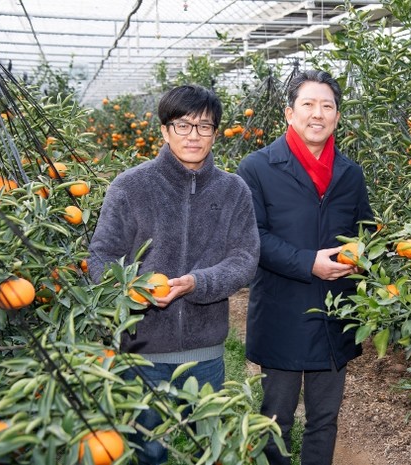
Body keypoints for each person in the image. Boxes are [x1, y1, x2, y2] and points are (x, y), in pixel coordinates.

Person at [88, 84, 259, 465]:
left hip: (205, 352)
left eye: (204, 126)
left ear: (215, 133)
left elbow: (244, 257)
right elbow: (101, 255)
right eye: (183, 125)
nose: (193, 135)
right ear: (165, 131)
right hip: (141, 350)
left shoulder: (233, 191)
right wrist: (132, 289)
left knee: (208, 450)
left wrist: (199, 282)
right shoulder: (130, 187)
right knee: (147, 450)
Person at [237, 69, 374, 465]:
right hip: (283, 311)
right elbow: (253, 236)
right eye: (308, 104)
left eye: (327, 106)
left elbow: (365, 229)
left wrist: (364, 255)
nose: (318, 113)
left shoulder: (349, 173)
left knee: (324, 419)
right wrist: (307, 262)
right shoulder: (258, 168)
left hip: (335, 314)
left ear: (337, 116)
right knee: (275, 419)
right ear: (289, 113)